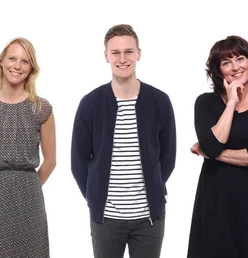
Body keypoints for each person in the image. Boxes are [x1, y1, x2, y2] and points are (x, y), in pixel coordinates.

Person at [70, 24, 176, 258]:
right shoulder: (90, 103)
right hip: (106, 218)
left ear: (139, 53)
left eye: (128, 51)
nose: (122, 58)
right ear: (106, 56)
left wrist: (153, 186)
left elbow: (168, 157)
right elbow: (78, 160)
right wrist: (95, 196)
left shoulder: (159, 101)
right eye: (115, 53)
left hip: (149, 218)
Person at [188, 35, 248, 258]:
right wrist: (231, 102)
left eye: (240, 58)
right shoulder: (205, 103)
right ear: (218, 71)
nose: (235, 67)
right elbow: (213, 145)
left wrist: (208, 152)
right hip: (215, 203)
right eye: (226, 62)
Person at [0, 37, 56, 258]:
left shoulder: (40, 108)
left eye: (25, 61)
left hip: (27, 198)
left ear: (31, 68)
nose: (17, 66)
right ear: (1, 61)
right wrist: (1, 180)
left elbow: (51, 161)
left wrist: (26, 184)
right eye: (12, 58)